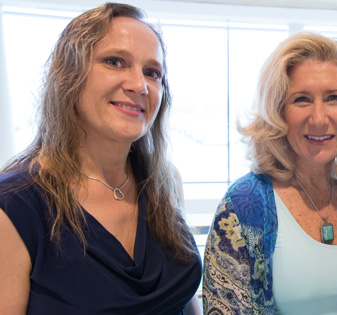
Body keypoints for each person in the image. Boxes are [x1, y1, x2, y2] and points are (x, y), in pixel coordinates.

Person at [0, 3, 201, 314]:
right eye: (115, 62)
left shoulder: (164, 181)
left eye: (152, 72)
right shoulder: (14, 205)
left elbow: (186, 303)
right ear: (69, 75)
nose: (139, 85)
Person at [201, 32, 337, 314]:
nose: (319, 118)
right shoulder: (243, 205)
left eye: (334, 98)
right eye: (301, 99)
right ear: (277, 111)